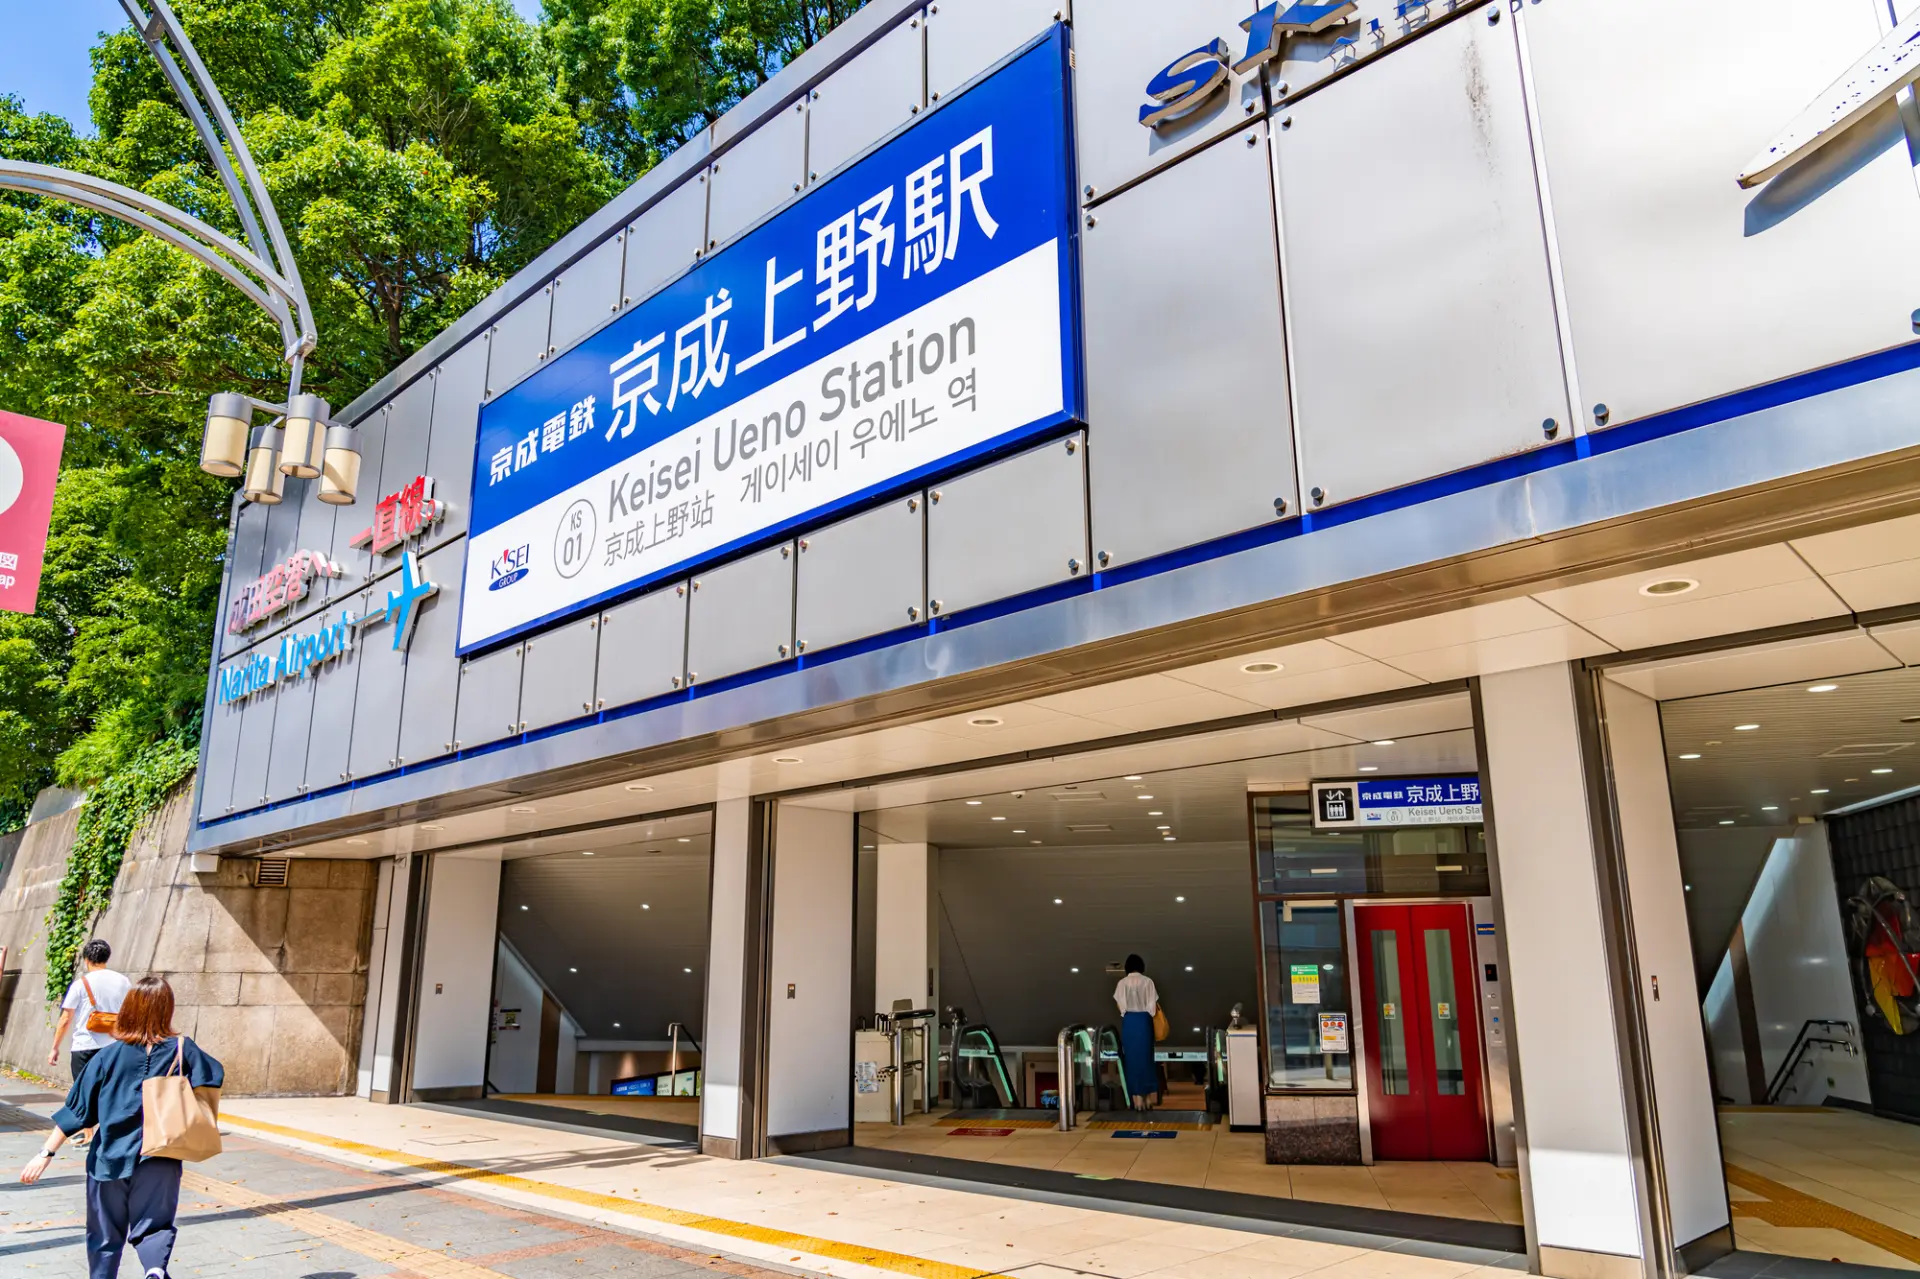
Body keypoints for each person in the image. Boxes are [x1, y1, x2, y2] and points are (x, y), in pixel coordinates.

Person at [20, 975, 224, 1279]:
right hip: (160, 1156)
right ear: (167, 1010)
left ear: (129, 1009)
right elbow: (212, 1075)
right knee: (155, 1226)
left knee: (104, 1234)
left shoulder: (108, 1056)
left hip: (109, 1158)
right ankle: (154, 1269)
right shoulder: (184, 1049)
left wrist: (45, 1153)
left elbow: (79, 1111)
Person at [50, 939, 130, 1082]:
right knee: (108, 1090)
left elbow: (66, 1019)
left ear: (86, 959)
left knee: (83, 1091)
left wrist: (55, 1048)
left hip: (85, 1046)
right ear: (107, 957)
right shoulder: (124, 981)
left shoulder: (80, 984)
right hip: (115, 1047)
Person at [1113, 953, 1161, 1111]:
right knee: (1146, 1059)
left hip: (1130, 1023)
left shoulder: (1122, 983)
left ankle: (1137, 1100)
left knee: (1132, 1061)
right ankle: (1148, 1099)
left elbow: (1121, 1007)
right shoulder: (1148, 981)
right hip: (1144, 1022)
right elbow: (1152, 1008)